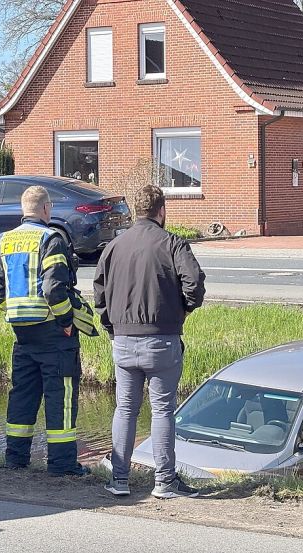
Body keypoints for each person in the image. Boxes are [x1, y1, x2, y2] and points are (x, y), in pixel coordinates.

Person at [94, 185, 206, 499]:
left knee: (125, 409)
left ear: (134, 212)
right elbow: (194, 284)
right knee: (162, 411)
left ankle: (119, 479)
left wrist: (112, 328)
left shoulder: (114, 246)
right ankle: (165, 482)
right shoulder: (172, 243)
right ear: (162, 211)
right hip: (162, 339)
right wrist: (183, 309)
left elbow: (99, 294)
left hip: (124, 341)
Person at [0, 185, 91, 476]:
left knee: (22, 395)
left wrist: (15, 315)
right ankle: (62, 464)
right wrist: (66, 321)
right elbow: (54, 289)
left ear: (24, 209)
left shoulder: (4, 240)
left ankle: (16, 458)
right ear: (46, 209)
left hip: (21, 334)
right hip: (53, 334)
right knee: (60, 396)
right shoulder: (51, 238)